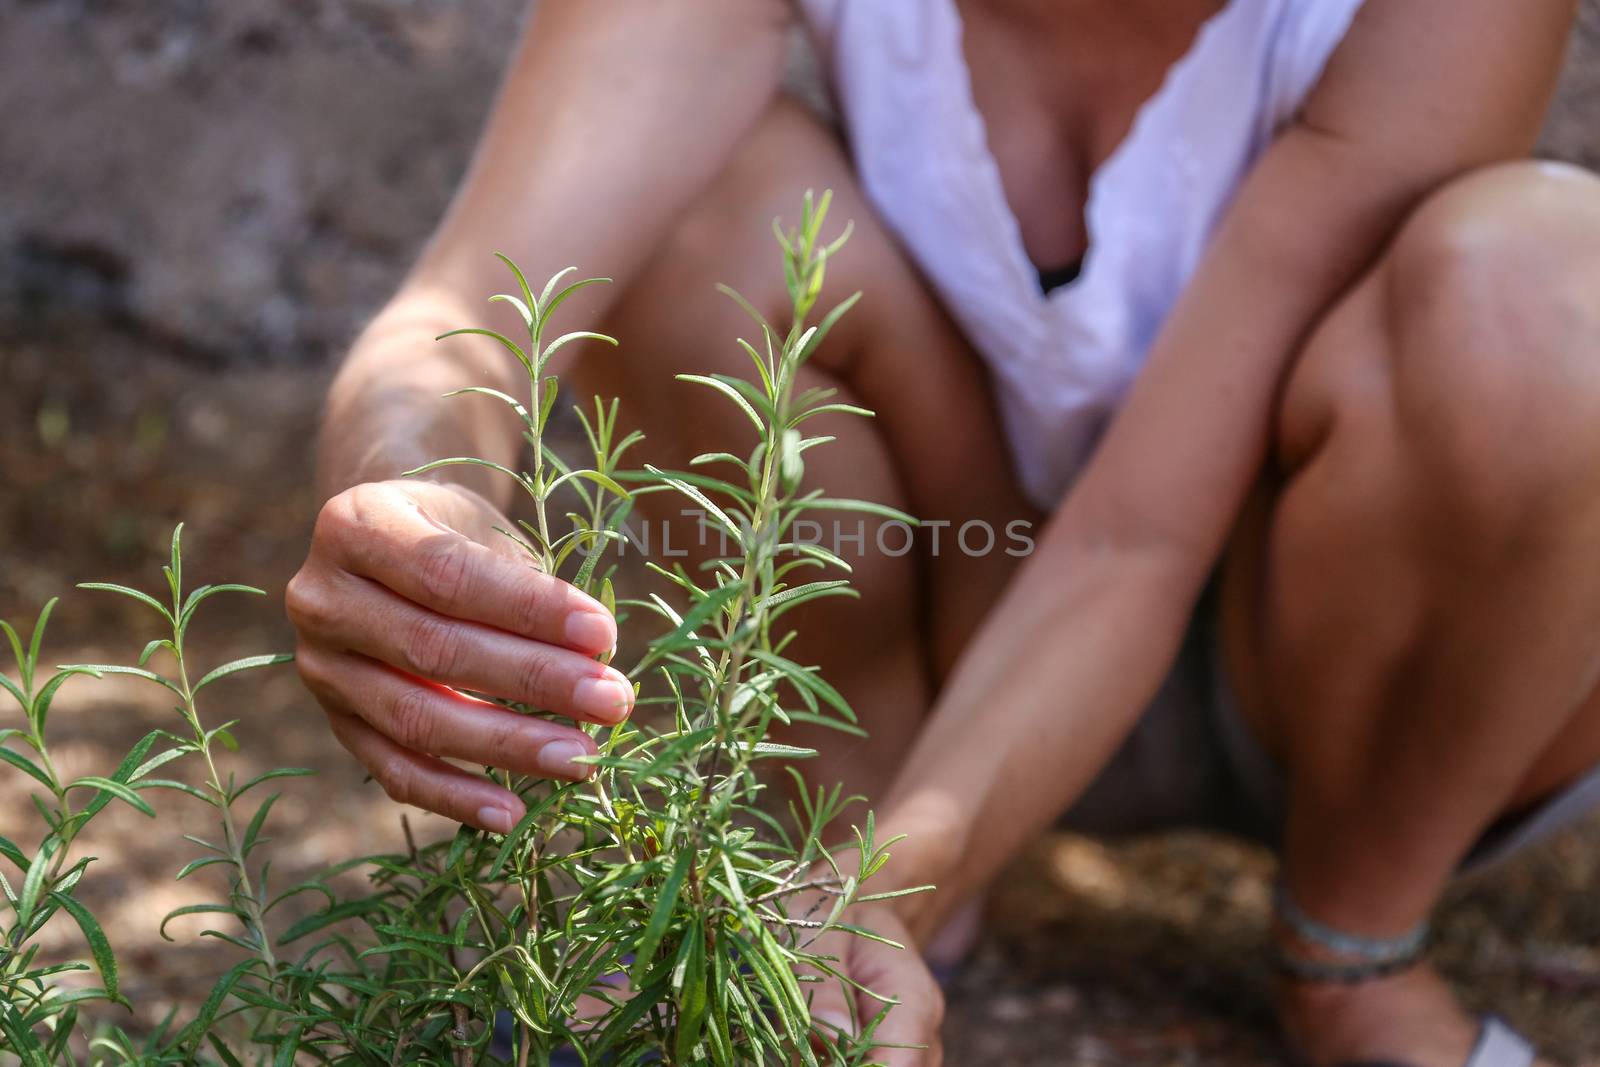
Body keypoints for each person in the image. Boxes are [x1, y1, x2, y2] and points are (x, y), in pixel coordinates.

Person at [285, 1, 1600, 1064]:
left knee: (1541, 292)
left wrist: (890, 883)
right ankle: (843, 876)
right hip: (969, 600)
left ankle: (1354, 941)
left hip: (1342, 652)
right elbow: (465, 305)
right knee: (693, 210)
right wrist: (409, 491)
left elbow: (1135, 540)